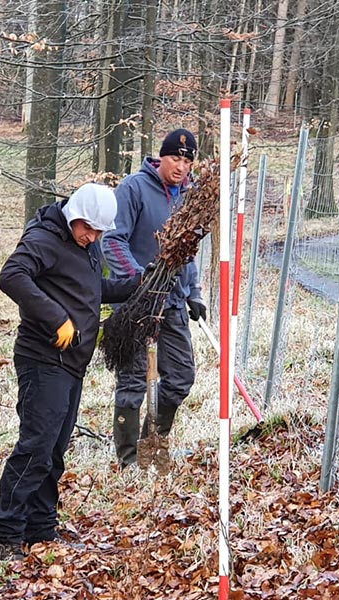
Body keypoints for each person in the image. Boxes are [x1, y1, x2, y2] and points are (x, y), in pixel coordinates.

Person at [0, 183, 140, 560]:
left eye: (100, 232)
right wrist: (56, 318)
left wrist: (136, 285)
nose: (93, 237)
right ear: (74, 215)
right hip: (42, 360)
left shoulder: (86, 245)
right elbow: (12, 276)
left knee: (54, 449)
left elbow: (90, 289)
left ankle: (41, 528)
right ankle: (5, 534)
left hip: (73, 363)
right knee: (36, 445)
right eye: (88, 229)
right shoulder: (44, 238)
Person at [101, 128, 206, 467]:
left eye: (187, 161)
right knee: (132, 381)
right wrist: (137, 278)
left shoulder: (191, 195)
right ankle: (129, 461)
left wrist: (194, 292)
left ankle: (152, 444)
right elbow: (112, 241)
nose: (181, 166)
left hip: (173, 302)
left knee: (180, 378)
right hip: (136, 302)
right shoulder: (133, 189)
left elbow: (188, 252)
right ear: (161, 157)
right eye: (175, 158)